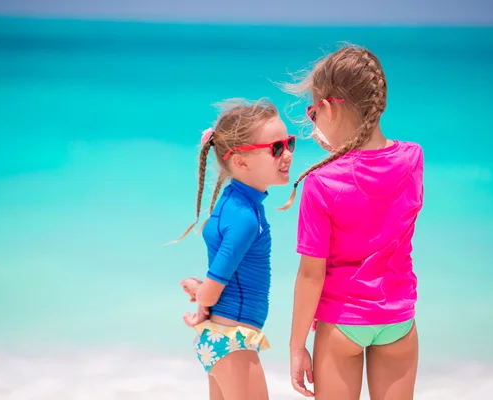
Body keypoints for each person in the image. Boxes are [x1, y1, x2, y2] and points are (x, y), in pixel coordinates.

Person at [280, 45, 424, 400]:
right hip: (398, 321)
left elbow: (311, 275)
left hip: (343, 322)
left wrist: (297, 346)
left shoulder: (321, 183)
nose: (313, 122)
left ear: (328, 108)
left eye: (313, 113)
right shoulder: (413, 159)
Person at [168, 98, 295, 400]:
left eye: (289, 143)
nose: (287, 153)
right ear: (240, 161)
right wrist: (200, 291)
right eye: (276, 148)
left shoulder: (232, 202)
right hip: (232, 340)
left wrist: (201, 293)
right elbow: (212, 291)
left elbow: (219, 280)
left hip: (220, 337)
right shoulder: (246, 218)